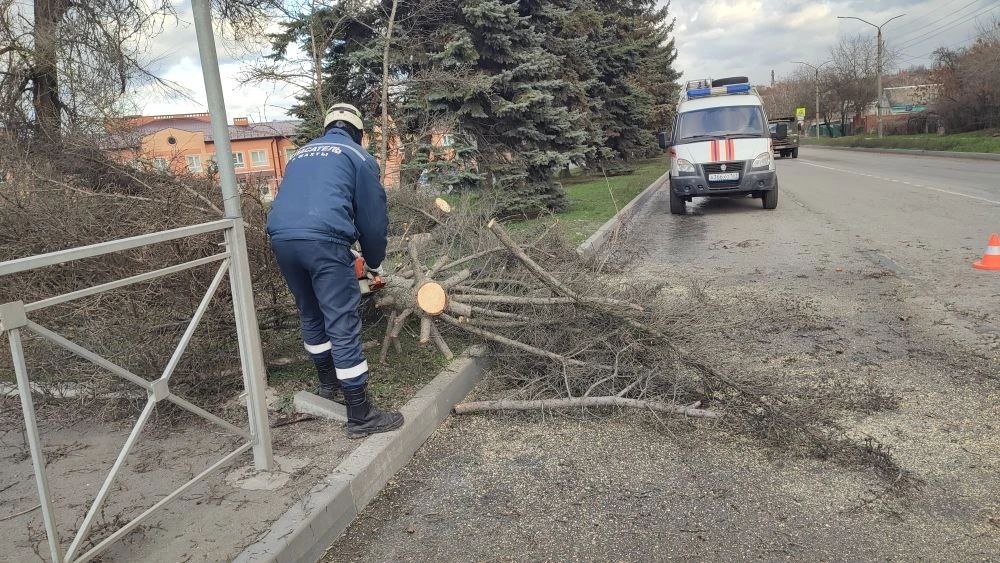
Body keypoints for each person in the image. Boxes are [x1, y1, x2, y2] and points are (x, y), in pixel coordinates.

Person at [266, 103, 404, 439]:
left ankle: (327, 385)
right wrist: (373, 262)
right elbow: (373, 221)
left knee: (310, 313)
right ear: (359, 133)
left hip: (283, 239)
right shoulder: (358, 157)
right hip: (324, 242)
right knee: (341, 322)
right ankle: (360, 415)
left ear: (327, 128)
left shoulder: (300, 155)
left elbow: (311, 203)